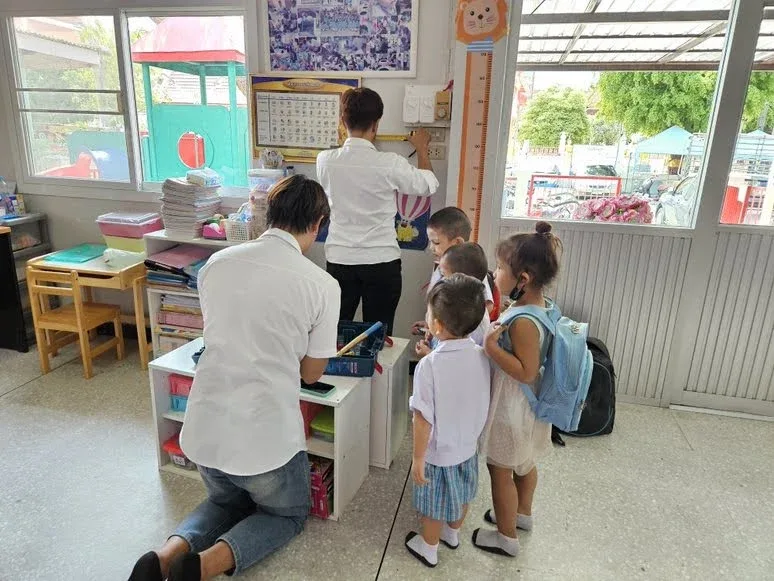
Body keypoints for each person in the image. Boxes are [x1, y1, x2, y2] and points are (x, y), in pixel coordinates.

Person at [128, 175, 340, 581]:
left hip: (205, 430)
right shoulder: (323, 285)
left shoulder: (217, 264)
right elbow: (312, 374)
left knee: (226, 503)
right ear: (317, 222)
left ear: (268, 216)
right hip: (264, 444)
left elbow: (224, 332)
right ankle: (206, 566)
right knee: (288, 515)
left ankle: (168, 553)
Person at [473, 221, 562, 558]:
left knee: (501, 469)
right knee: (525, 463)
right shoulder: (540, 307)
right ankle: (521, 514)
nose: (495, 274)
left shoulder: (523, 321)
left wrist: (492, 348)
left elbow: (525, 372)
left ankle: (506, 536)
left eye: (499, 268)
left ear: (522, 279)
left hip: (514, 408)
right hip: (530, 408)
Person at [317, 87, 438, 335]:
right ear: (376, 124)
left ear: (343, 121)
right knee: (378, 338)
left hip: (340, 260)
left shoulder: (325, 160)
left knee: (335, 335)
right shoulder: (389, 163)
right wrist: (422, 148)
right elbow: (428, 185)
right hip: (381, 262)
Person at [405, 274, 491, 568]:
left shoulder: (428, 366)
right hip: (467, 446)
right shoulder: (482, 355)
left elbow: (422, 419)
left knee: (432, 505)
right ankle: (452, 533)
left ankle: (429, 547)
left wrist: (417, 457)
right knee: (463, 493)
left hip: (437, 453)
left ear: (437, 324)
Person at [411, 207, 499, 336]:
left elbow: (487, 306)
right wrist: (431, 325)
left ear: (457, 242)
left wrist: (451, 331)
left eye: (436, 242)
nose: (431, 248)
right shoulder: (441, 267)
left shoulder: (472, 270)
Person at [415, 243, 491, 357]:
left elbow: (458, 360)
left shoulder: (473, 318)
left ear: (461, 280)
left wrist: (428, 354)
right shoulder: (460, 306)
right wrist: (432, 330)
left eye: (444, 275)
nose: (441, 281)